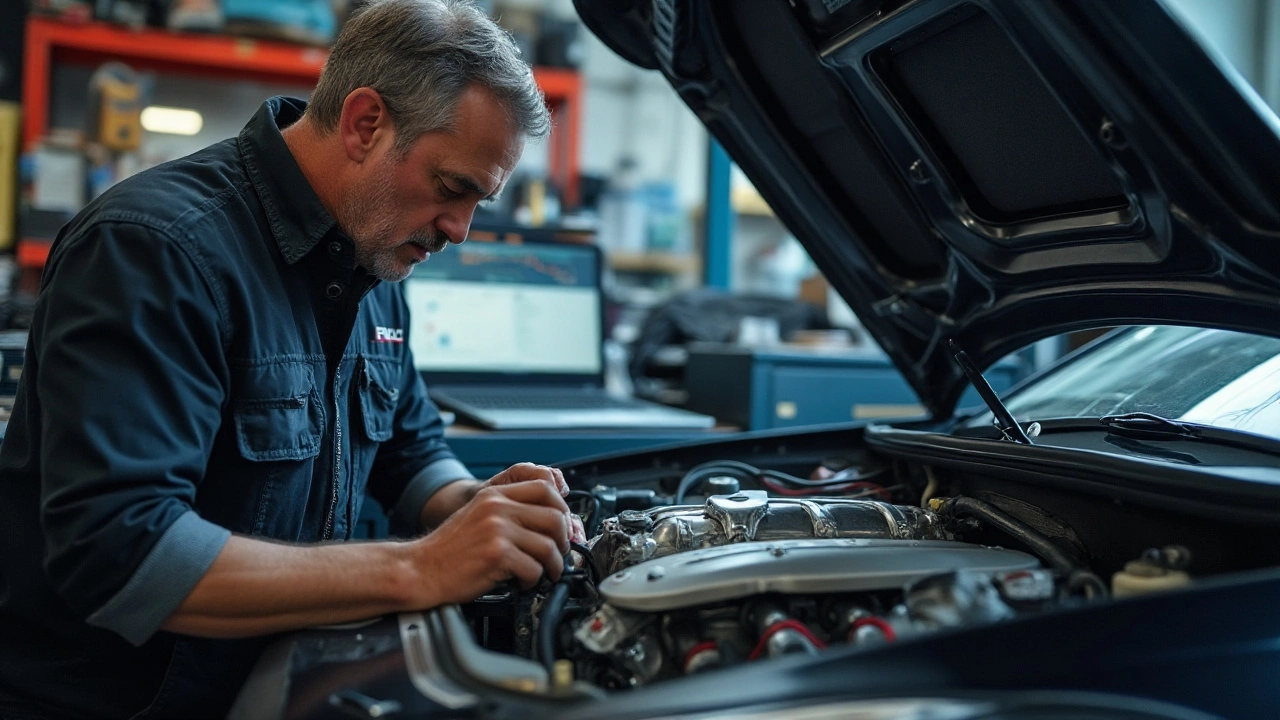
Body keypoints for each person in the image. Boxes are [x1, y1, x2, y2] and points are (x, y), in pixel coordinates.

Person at [0, 1, 582, 717]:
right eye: (452, 188)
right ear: (366, 124)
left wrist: (479, 509)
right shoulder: (155, 249)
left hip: (278, 680)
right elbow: (124, 556)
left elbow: (407, 442)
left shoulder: (377, 256)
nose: (460, 230)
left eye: (477, 203)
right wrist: (423, 566)